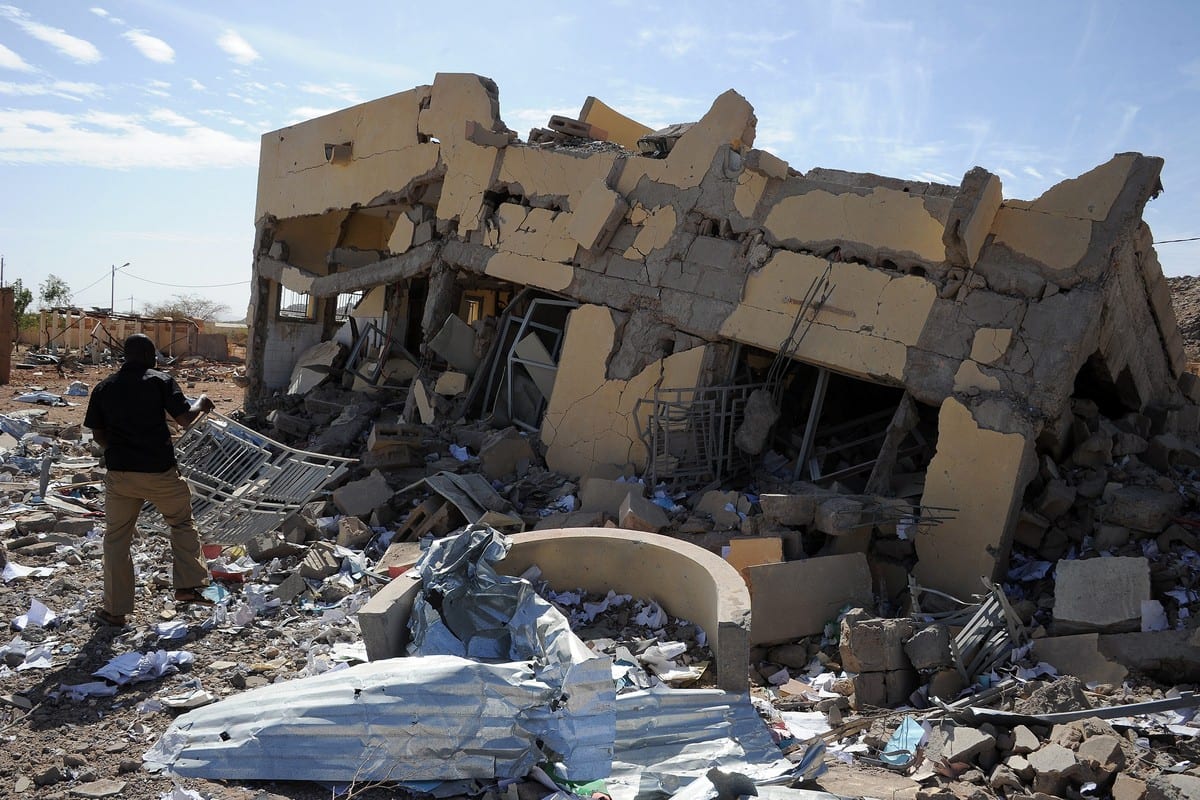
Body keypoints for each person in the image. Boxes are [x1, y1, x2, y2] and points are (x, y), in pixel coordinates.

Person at [84, 333, 216, 626]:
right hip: (159, 471)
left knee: (116, 539)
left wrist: (119, 452)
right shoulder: (160, 381)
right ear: (149, 356)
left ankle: (116, 611)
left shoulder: (104, 387)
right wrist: (203, 402)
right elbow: (185, 419)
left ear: (126, 357)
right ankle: (186, 586)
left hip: (121, 475)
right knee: (181, 524)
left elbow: (98, 433)